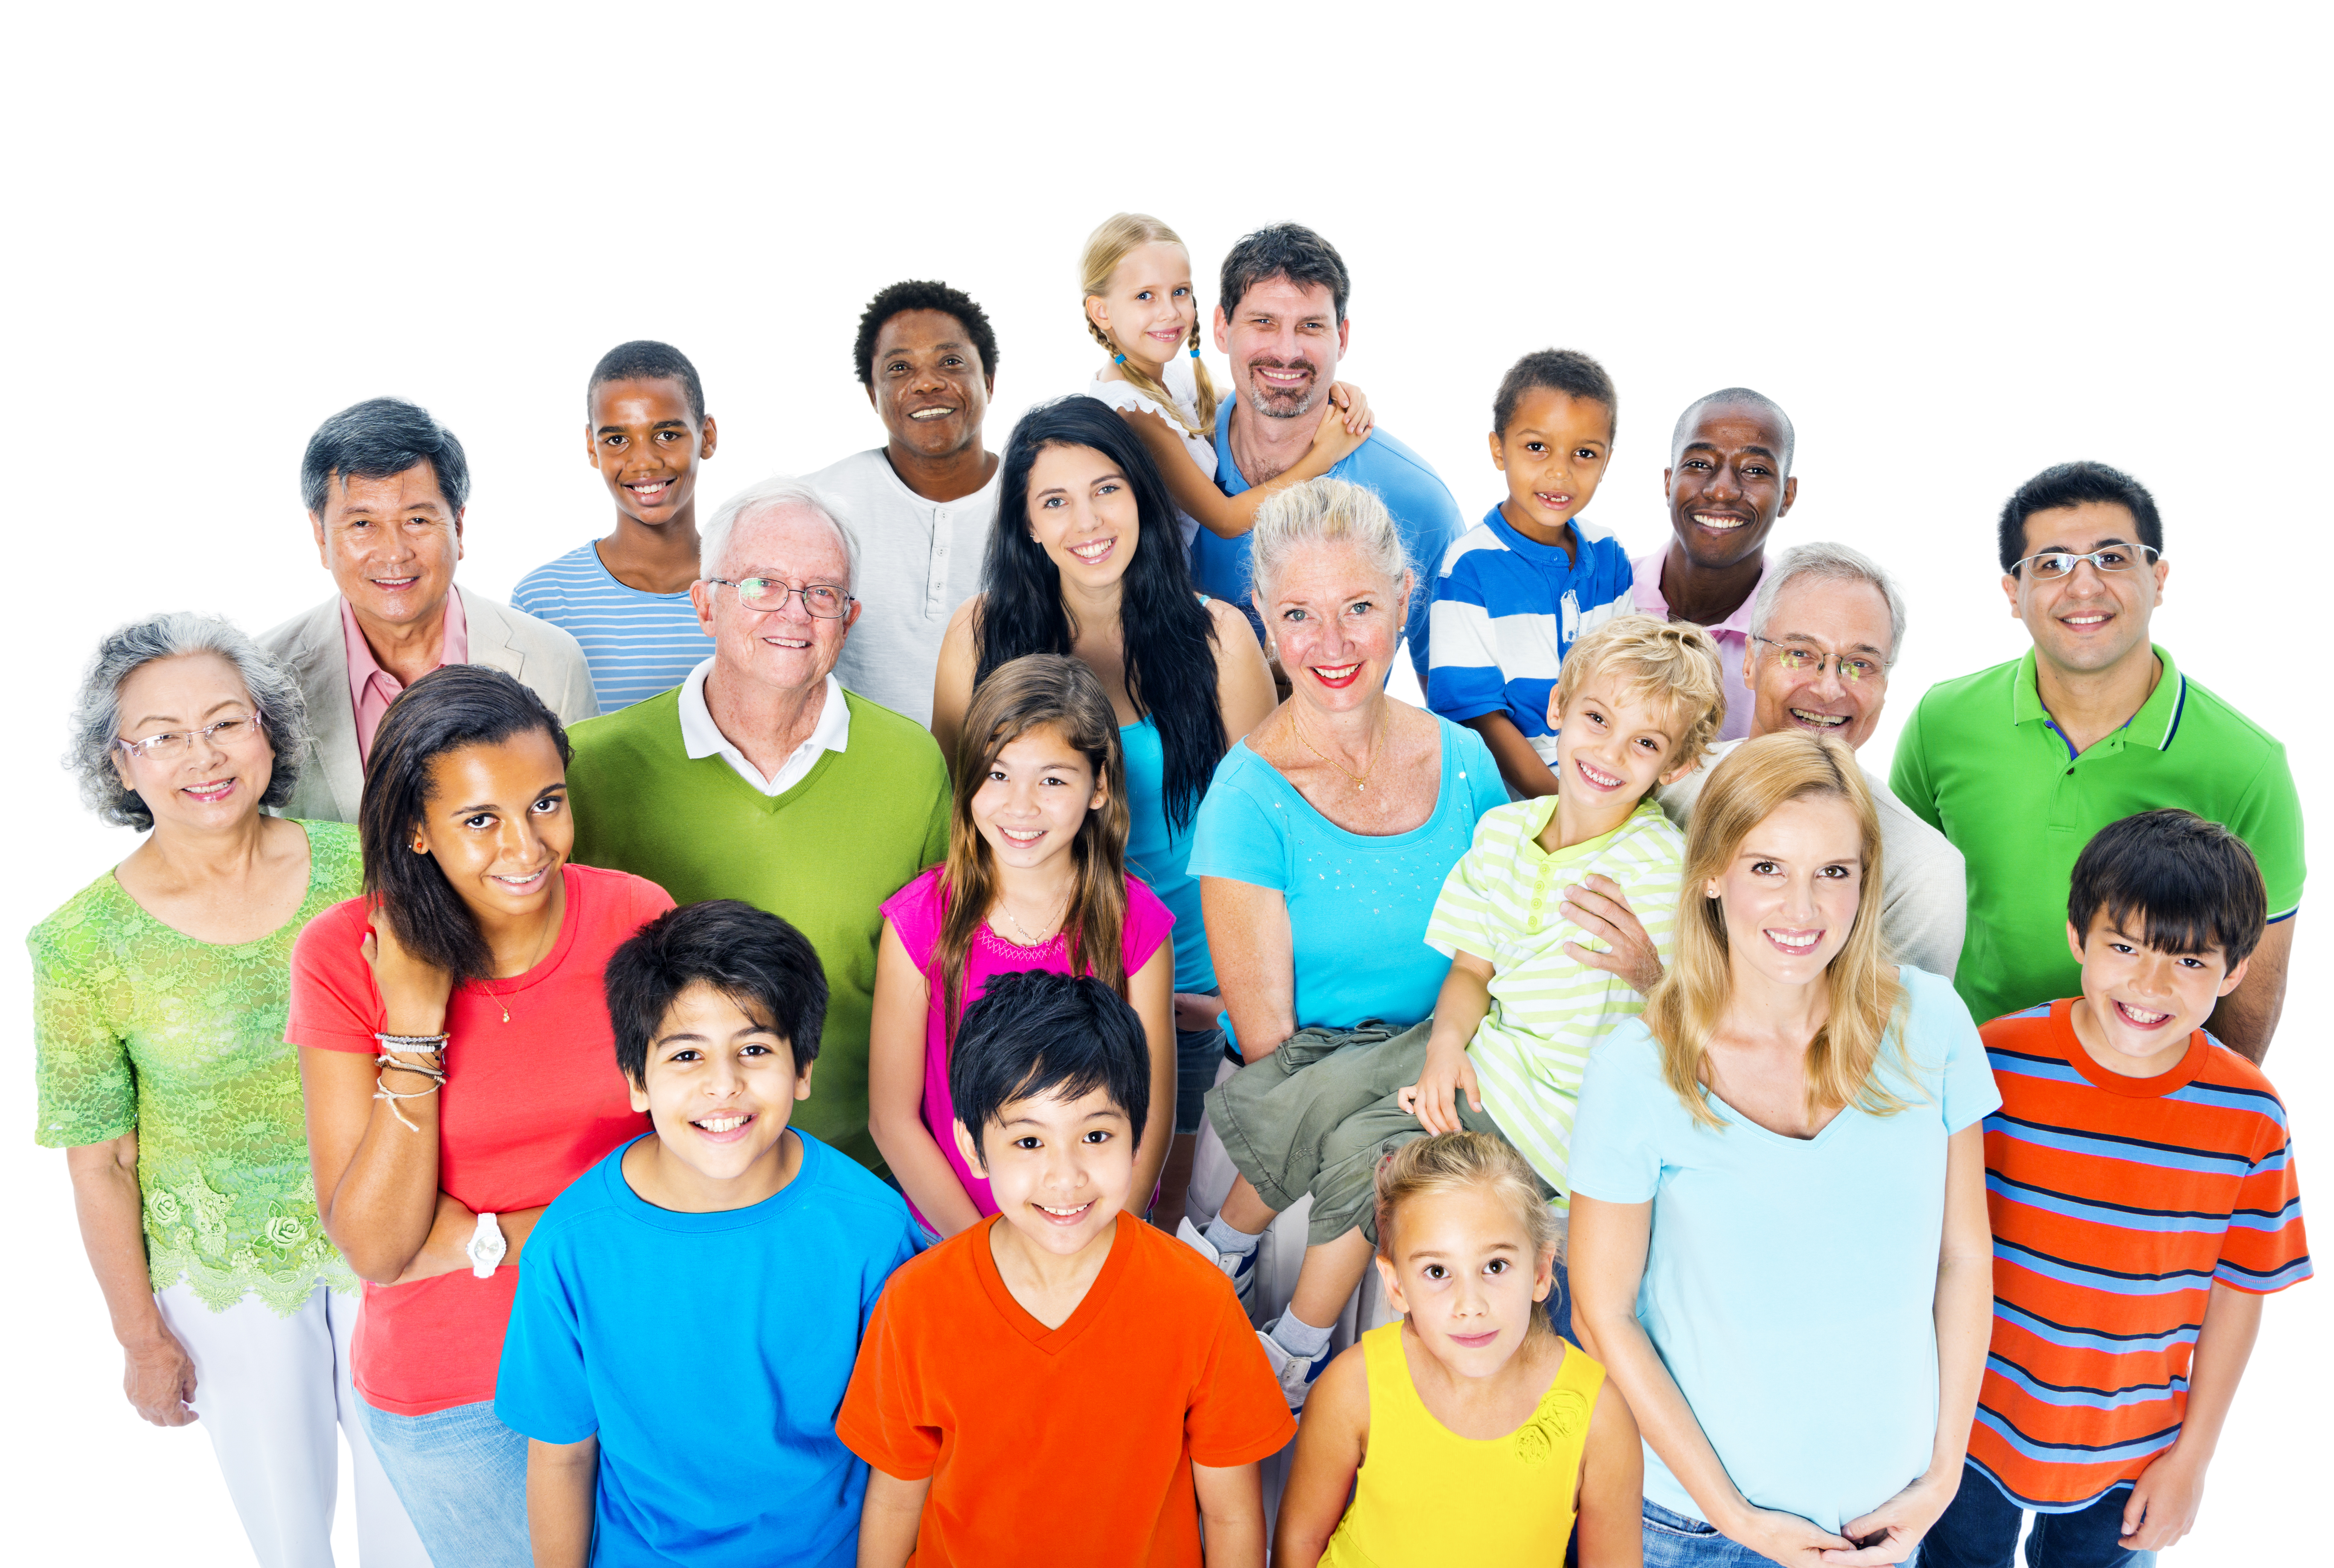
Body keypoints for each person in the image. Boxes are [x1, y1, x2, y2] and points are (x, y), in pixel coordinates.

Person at [1200, 615, 1723, 1404]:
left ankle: (1293, 1353)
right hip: (1486, 1058)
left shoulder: (1659, 867)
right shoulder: (1507, 833)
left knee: (1367, 1149)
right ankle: (1221, 1250)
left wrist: (1651, 973)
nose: (1610, 754)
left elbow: (1712, 1022)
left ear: (1677, 764)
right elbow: (1472, 969)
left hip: (1545, 1116)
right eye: (1597, 720)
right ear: (1557, 707)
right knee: (1331, 1075)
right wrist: (1446, 1046)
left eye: (1645, 744)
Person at [31, 614, 425, 1567]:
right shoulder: (78, 944)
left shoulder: (363, 866)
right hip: (230, 1274)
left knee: (420, 1526)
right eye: (160, 737)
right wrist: (139, 1339)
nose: (200, 756)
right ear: (119, 766)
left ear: (268, 731)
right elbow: (102, 1162)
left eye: (224, 723)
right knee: (290, 1541)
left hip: (398, 1233)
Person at [1569, 732, 1998, 1565]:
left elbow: (1962, 1255)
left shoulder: (1933, 1021)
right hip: (1691, 1530)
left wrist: (1944, 1472)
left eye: (1832, 873)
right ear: (1711, 875)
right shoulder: (1637, 1066)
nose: (1801, 910)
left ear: (1863, 883)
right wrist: (1732, 1515)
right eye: (1767, 867)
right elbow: (1602, 1313)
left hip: (1884, 1523)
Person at [291, 665, 675, 1566]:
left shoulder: (636, 915)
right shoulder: (346, 955)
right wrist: (416, 1029)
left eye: (546, 803)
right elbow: (379, 1246)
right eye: (479, 820)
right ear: (416, 831)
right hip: (461, 1391)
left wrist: (484, 1236)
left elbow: (693, 1166)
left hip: (637, 1346)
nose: (526, 846)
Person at [1176, 478, 1507, 1366]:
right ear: (1260, 614)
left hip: (1446, 1157)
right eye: (1298, 614)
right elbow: (1285, 1061)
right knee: (1286, 1457)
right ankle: (1233, 1271)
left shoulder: (1468, 764)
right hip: (1292, 1165)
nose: (1329, 645)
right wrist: (1434, 1079)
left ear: (1405, 597)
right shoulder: (1247, 799)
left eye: (1358, 605)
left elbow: (1509, 961)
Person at [1927, 811, 2311, 1568]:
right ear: (2078, 937)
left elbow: (2240, 1292)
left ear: (2235, 971)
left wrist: (2193, 1460)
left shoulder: (2250, 1116)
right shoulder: (1994, 1063)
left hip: (2133, 1449)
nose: (2148, 983)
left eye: (2190, 962)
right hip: (1968, 1426)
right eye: (2124, 947)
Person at [930, 395, 1276, 1227]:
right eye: (1055, 501)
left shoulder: (1218, 639)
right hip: (1028, 996)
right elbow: (955, 827)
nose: (1087, 519)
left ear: (1143, 498)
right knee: (1051, 1240)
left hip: (1195, 998)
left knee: (1164, 1238)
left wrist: (1241, 999)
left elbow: (1275, 841)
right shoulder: (978, 638)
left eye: (1107, 488)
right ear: (1027, 526)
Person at [498, 900, 923, 1568]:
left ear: (803, 1068)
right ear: (638, 1079)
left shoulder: (873, 1229)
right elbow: (562, 1455)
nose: (723, 1086)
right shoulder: (571, 1245)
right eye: (686, 1055)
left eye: (754, 1050)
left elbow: (902, 1456)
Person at [840, 971, 1296, 1567]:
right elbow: (897, 1501)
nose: (1066, 1176)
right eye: (1029, 1142)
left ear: (1138, 1139)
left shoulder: (1198, 1300)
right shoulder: (916, 1301)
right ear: (974, 1148)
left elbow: (1232, 1513)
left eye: (1096, 1135)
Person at [563, 475, 951, 1170]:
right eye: (762, 585)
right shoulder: (589, 768)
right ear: (705, 604)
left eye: (821, 593)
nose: (794, 613)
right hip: (657, 1180)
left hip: (862, 1178)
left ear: (849, 617)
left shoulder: (912, 763)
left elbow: (947, 990)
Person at [1890, 460, 2302, 1059]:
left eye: (2113, 558)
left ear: (2159, 579)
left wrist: (2197, 1125)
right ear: (2014, 593)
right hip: (1965, 1076)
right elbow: (1894, 901)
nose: (2084, 587)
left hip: (2137, 1101)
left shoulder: (2248, 764)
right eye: (2052, 564)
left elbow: (2252, 980)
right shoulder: (1942, 721)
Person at [871, 655, 1177, 1236]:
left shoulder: (1136, 921)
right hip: (955, 1234)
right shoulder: (920, 922)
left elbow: (1154, 1112)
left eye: (1054, 779)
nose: (1021, 805)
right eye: (998, 774)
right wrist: (984, 1253)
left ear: (1100, 787)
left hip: (1100, 1227)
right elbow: (892, 1119)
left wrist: (1107, 1236)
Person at [1272, 1132, 1645, 1568]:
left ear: (1541, 1270)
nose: (1470, 1305)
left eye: (1494, 1266)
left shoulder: (1599, 1415)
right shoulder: (1354, 1387)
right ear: (1396, 1285)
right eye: (1436, 1271)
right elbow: (1300, 1540)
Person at [1634, 542, 1966, 979]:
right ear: (1750, 660)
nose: (1829, 689)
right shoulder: (1658, 781)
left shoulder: (1922, 873)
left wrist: (1652, 980)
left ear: (1884, 685)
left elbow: (1890, 1041)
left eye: (1860, 664)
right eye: (1800, 654)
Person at [262, 396, 599, 822]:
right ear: (321, 535)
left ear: (458, 525)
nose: (394, 553)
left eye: (417, 520)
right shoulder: (265, 675)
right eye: (362, 524)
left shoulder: (554, 660)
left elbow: (589, 842)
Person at [1192, 223, 1465, 688]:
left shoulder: (1418, 500)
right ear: (1221, 327)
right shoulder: (1174, 469)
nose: (1286, 351)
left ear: (1341, 337)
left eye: (1311, 326)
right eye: (1263, 322)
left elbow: (1453, 701)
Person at [1078, 212, 1376, 557]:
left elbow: (1252, 394)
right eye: (1145, 296)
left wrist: (1332, 390)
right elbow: (1226, 519)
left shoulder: (1166, 376)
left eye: (1180, 292)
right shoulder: (1133, 411)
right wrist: (1326, 454)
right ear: (1102, 312)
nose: (1170, 312)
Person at [1428, 348, 1637, 798]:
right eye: (1536, 447)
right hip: (1512, 799)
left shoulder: (1608, 556)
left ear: (1606, 463)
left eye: (1584, 453)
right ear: (1498, 449)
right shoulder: (1468, 567)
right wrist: (1561, 809)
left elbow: (1629, 688)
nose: (1559, 471)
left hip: (1605, 781)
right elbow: (1478, 718)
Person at [806, 280, 1002, 725]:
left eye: (950, 362)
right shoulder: (815, 505)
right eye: (899, 368)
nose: (927, 383)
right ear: (873, 395)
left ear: (988, 381)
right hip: (853, 779)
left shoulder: (1044, 501)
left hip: (1008, 782)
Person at [512, 339, 721, 711]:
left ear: (707, 436)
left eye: (667, 435)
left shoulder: (751, 592)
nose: (644, 462)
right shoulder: (543, 601)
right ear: (593, 449)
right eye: (617, 440)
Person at [1630, 388, 1799, 742]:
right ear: (1668, 482)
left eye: (1755, 470)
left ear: (1787, 495)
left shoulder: (1796, 642)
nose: (1722, 491)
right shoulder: (1597, 594)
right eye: (1699, 464)